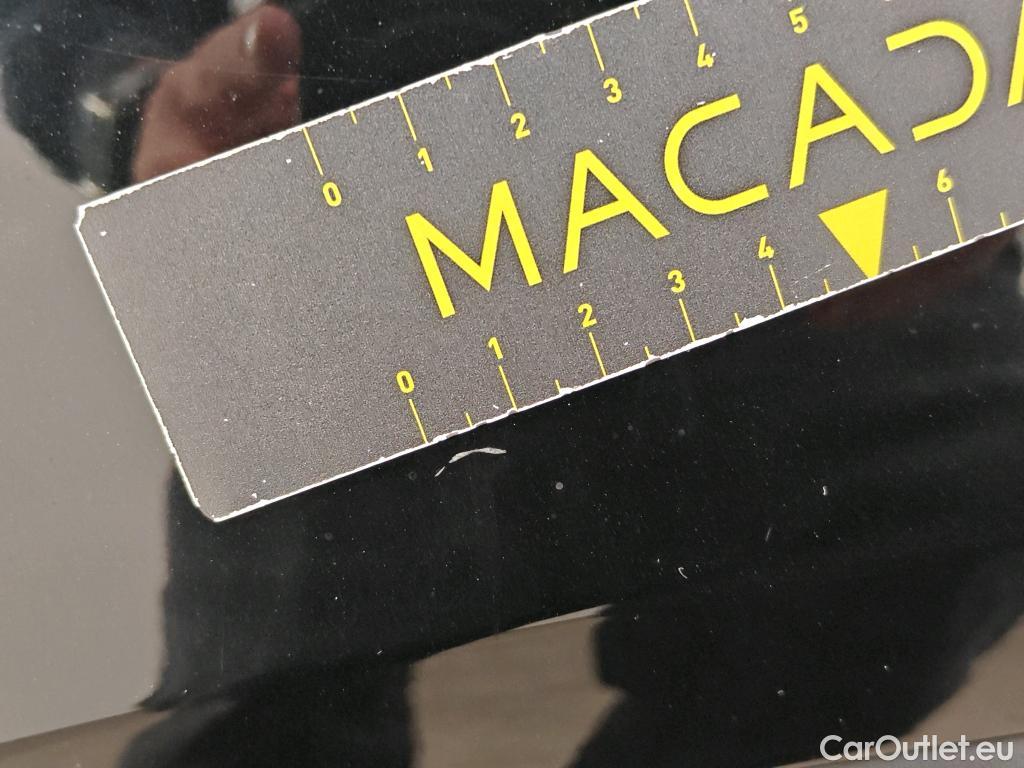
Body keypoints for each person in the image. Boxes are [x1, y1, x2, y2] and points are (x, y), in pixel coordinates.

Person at [5, 2, 1024, 765]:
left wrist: (981, 97)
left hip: (837, 194)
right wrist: (126, 98)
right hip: (342, 237)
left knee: (840, 664)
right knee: (264, 732)